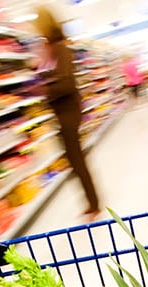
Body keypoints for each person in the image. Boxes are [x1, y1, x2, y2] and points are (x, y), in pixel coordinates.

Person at [32, 6, 101, 217]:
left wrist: (45, 88)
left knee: (77, 159)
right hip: (61, 112)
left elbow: (67, 84)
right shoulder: (49, 48)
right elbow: (53, 75)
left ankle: (94, 204)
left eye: (37, 22)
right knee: (73, 160)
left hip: (69, 112)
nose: (34, 27)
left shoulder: (61, 48)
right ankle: (91, 202)